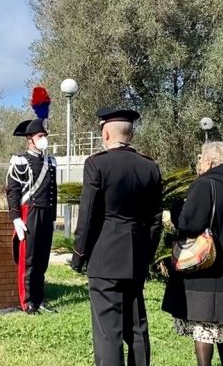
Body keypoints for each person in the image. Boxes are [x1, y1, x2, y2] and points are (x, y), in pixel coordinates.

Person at [71, 107, 163, 366]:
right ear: (130, 135)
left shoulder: (97, 164)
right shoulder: (150, 167)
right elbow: (156, 220)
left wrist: (79, 256)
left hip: (105, 256)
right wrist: (147, 254)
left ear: (107, 133)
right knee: (136, 326)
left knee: (108, 332)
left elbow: (88, 215)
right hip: (136, 256)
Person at [162, 142, 223, 366]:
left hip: (205, 267)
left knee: (203, 325)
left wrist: (176, 211)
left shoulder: (205, 184)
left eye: (200, 158)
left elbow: (190, 223)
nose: (198, 163)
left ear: (210, 161)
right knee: (220, 326)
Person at [6, 117, 57, 314]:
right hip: (30, 212)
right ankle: (27, 301)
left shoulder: (50, 161)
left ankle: (39, 297)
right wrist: (16, 217)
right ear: (30, 139)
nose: (44, 139)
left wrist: (52, 216)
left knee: (42, 259)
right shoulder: (19, 160)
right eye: (40, 136)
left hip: (46, 214)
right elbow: (13, 190)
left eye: (45, 135)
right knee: (29, 260)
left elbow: (53, 191)